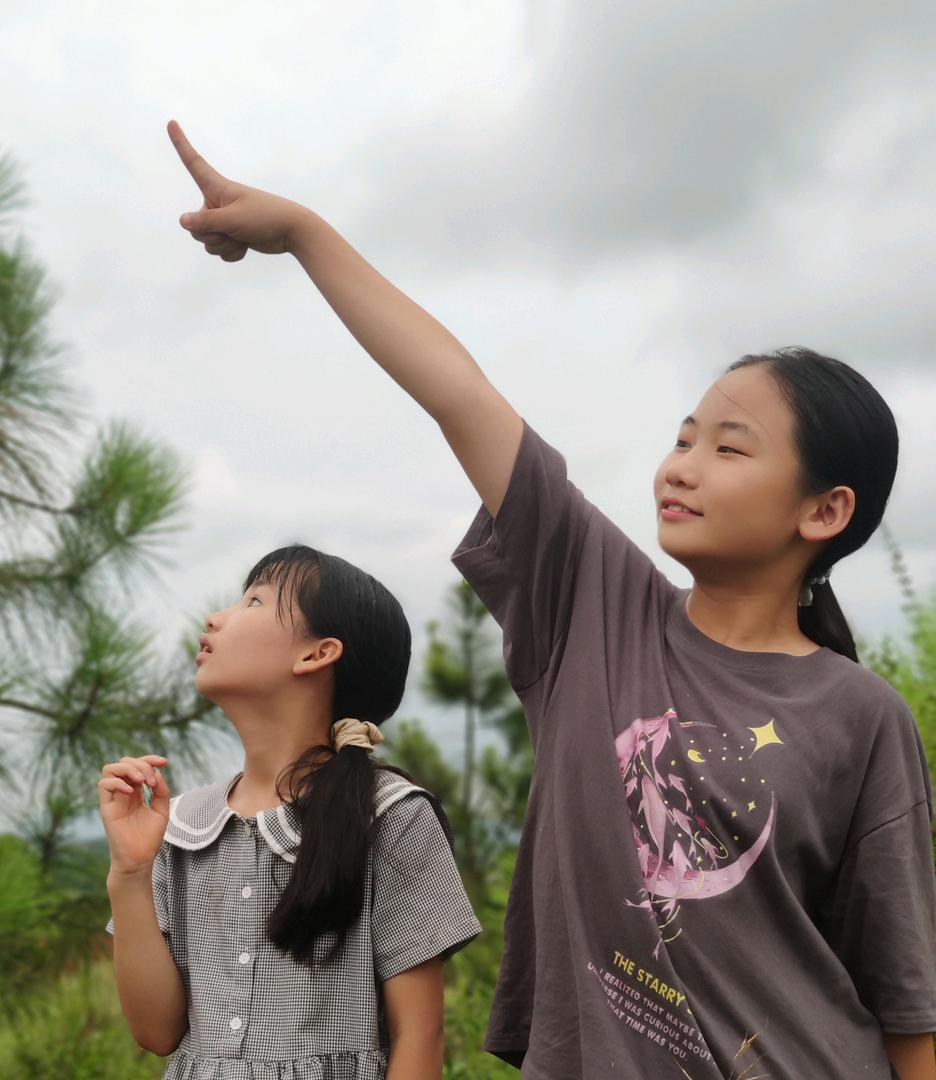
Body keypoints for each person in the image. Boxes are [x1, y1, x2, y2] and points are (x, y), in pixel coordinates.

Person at [164, 119, 936, 1079]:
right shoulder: (592, 605)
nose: (682, 466)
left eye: (729, 448)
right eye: (684, 436)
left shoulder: (862, 717)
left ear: (825, 510)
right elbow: (461, 395)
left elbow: (904, 994)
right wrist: (307, 235)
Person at [99, 545, 482, 1080]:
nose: (216, 617)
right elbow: (157, 1032)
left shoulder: (389, 814)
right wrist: (131, 873)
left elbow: (420, 1038)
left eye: (253, 602)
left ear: (316, 654)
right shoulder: (183, 825)